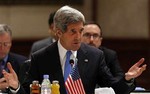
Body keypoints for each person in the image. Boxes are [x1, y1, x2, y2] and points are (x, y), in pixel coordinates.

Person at [2, 5, 146, 94]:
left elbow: (114, 88)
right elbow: (28, 91)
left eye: (81, 30)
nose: (79, 37)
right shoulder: (41, 57)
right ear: (59, 33)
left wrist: (127, 79)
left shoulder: (95, 55)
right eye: (73, 31)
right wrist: (15, 87)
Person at [0, 24, 27, 92]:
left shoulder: (23, 62)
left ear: (10, 44)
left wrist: (15, 86)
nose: (1, 48)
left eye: (5, 44)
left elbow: (26, 90)